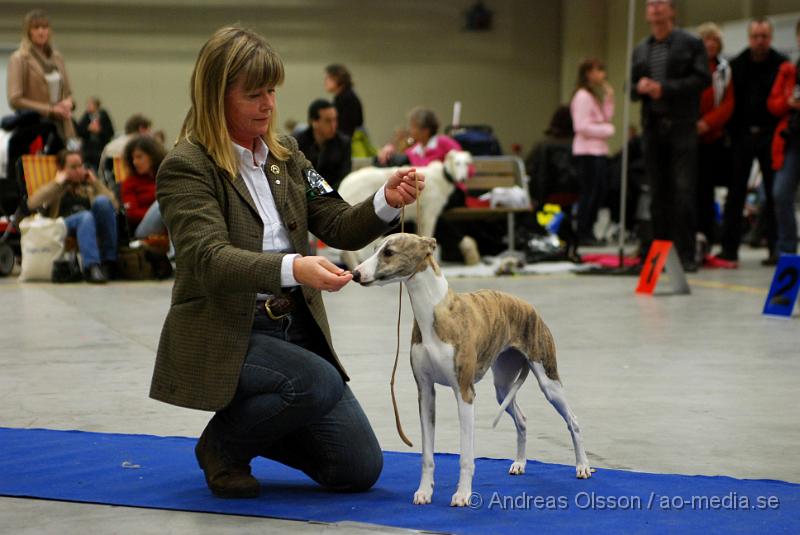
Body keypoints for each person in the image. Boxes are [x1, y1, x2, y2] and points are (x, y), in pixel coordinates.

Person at [149, 26, 425, 499]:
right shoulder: (186, 166)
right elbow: (208, 257)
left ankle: (257, 424)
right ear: (217, 97)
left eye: (272, 91)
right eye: (253, 94)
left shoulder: (288, 156)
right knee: (315, 381)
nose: (269, 104)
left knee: (357, 468)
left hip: (294, 327)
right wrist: (293, 268)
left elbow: (337, 221)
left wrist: (384, 200)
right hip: (227, 329)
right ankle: (222, 446)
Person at [631, 0, 710, 272]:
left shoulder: (690, 42)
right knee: (657, 195)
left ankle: (686, 255)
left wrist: (664, 89)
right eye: (650, 3)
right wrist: (638, 87)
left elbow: (702, 80)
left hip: (682, 126)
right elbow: (629, 88)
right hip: (652, 128)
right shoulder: (641, 48)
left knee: (684, 192)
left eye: (660, 2)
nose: (654, 8)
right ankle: (659, 257)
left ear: (672, 10)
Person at [717, 18, 787, 266]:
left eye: (764, 36)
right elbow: (729, 102)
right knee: (735, 193)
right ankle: (729, 249)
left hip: (771, 135)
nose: (760, 41)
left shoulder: (782, 65)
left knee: (772, 194)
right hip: (742, 135)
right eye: (756, 36)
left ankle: (775, 249)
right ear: (749, 38)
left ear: (770, 37)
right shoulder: (737, 64)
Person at [27, 149, 119, 283]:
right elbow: (32, 203)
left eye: (81, 166)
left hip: (90, 225)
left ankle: (108, 263)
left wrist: (96, 183)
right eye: (73, 167)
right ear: (61, 168)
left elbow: (114, 205)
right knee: (85, 216)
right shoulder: (56, 187)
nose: (79, 170)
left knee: (102, 202)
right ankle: (91, 266)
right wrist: (57, 183)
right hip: (64, 224)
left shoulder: (89, 186)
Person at [696, 22, 734, 266]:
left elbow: (728, 104)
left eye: (715, 41)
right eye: (706, 40)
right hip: (689, 136)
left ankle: (707, 238)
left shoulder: (724, 70)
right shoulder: (691, 67)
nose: (710, 44)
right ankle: (690, 238)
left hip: (713, 137)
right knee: (690, 190)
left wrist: (708, 123)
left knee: (707, 192)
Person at [7, 9, 76, 146]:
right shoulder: (19, 58)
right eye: (36, 27)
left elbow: (67, 93)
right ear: (28, 31)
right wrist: (50, 109)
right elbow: (15, 100)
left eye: (44, 27)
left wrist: (68, 103)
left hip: (61, 126)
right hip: (33, 127)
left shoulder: (57, 58)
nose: (41, 32)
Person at [570, 58, 615, 247]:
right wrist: (606, 130)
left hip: (598, 151)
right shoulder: (582, 96)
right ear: (589, 73)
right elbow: (581, 126)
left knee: (598, 193)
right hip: (586, 151)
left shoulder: (593, 96)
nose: (602, 75)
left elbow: (606, 117)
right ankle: (583, 231)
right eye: (599, 70)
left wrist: (609, 97)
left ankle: (590, 230)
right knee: (589, 193)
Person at [767, 20, 800, 258]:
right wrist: (788, 103)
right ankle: (787, 251)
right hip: (793, 142)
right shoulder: (790, 69)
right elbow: (773, 104)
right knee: (780, 193)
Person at [293, 99, 351, 189]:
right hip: (306, 194)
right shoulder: (298, 141)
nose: (333, 125)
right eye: (328, 121)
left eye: (335, 120)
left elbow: (344, 177)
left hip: (335, 194)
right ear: (314, 122)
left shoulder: (343, 143)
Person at [377, 107, 462, 167]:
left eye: (413, 127)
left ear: (425, 130)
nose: (410, 130)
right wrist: (389, 150)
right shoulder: (412, 150)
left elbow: (463, 163)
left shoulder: (444, 142)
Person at [120, 135, 166, 238]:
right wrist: (152, 212)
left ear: (152, 156)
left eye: (139, 157)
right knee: (164, 202)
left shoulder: (163, 176)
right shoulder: (129, 183)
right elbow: (131, 214)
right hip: (142, 230)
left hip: (166, 225)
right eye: (133, 158)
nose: (135, 162)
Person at [98, 113, 152, 181]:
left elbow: (102, 173)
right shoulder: (137, 147)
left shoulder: (111, 145)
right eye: (149, 131)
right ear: (142, 129)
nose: (150, 135)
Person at [323, 64, 363, 139]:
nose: (325, 82)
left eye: (328, 78)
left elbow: (345, 129)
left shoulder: (346, 98)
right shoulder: (345, 96)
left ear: (337, 78)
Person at [76, 96, 115, 172]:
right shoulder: (86, 116)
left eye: (90, 105)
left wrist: (99, 131)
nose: (88, 107)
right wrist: (88, 129)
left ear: (96, 105)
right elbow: (79, 131)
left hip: (101, 147)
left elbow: (110, 132)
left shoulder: (104, 115)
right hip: (88, 148)